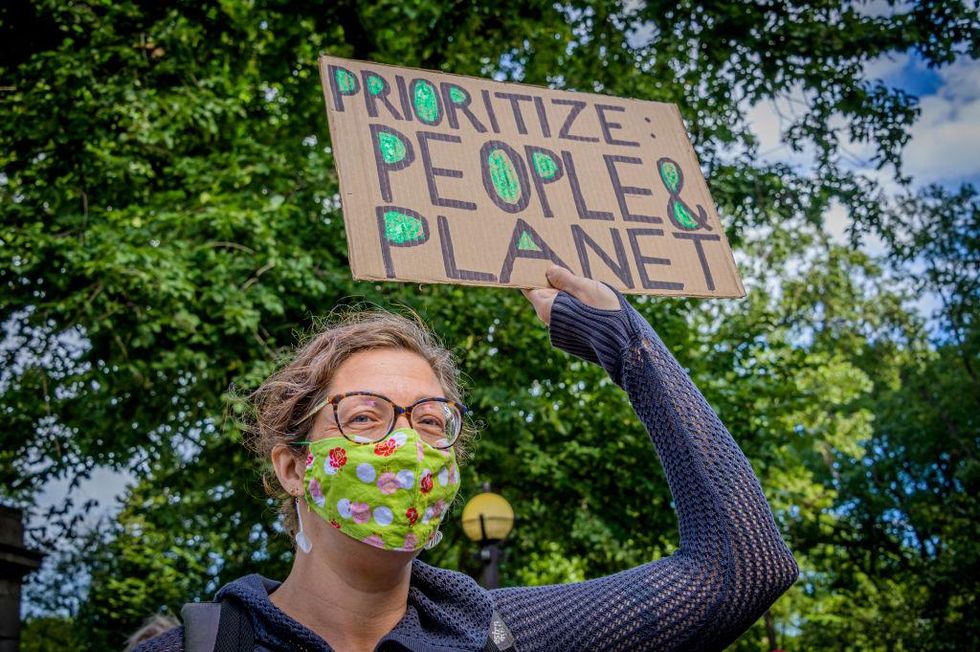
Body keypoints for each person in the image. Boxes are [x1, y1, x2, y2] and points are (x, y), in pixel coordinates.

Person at [135, 266, 799, 651]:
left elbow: (742, 569)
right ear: (293, 466)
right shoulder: (196, 650)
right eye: (365, 417)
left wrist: (624, 342)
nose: (409, 444)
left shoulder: (501, 635)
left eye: (432, 421)